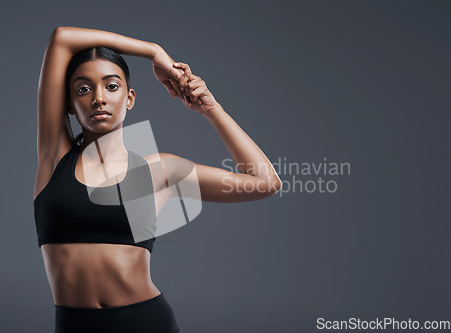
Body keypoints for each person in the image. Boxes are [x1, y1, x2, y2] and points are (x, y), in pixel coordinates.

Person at [33, 26, 283, 333]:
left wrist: (212, 110)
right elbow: (61, 38)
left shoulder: (159, 172)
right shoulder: (53, 158)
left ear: (130, 99)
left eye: (112, 86)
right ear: (69, 104)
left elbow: (265, 182)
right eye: (83, 89)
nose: (98, 98)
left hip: (146, 323)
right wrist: (153, 52)